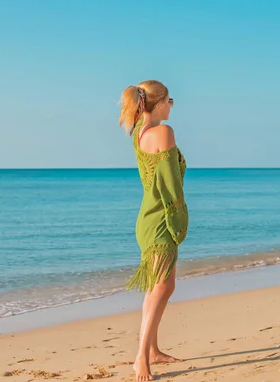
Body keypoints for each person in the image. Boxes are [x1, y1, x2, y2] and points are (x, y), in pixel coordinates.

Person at [118, 80, 189, 381]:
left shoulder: (139, 133)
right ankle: (140, 359)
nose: (172, 106)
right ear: (159, 103)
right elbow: (172, 187)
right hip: (160, 219)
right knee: (161, 287)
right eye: (170, 101)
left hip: (147, 218)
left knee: (161, 286)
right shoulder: (164, 132)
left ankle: (154, 350)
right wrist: (179, 219)